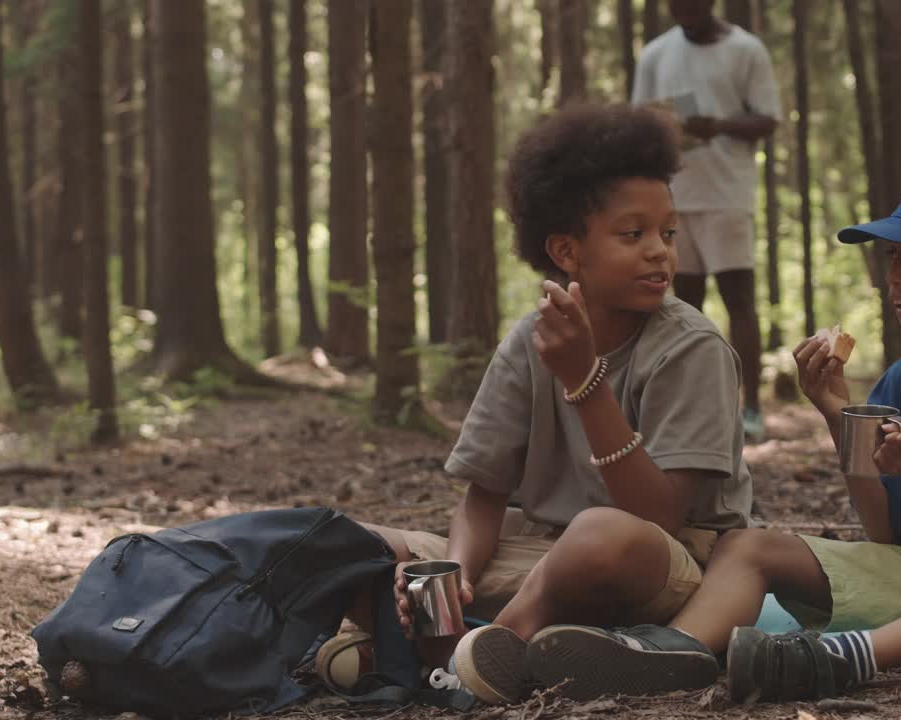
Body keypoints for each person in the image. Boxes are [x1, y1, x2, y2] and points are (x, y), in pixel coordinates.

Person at [523, 162, 901, 702]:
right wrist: (838, 414)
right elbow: (885, 536)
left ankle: (846, 658)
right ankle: (673, 652)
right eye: (892, 257)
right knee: (749, 543)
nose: (896, 278)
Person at [317, 104, 753, 705]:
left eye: (668, 233)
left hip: (663, 566)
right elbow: (483, 495)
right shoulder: (529, 339)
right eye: (634, 234)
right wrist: (458, 575)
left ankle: (485, 648)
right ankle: (460, 644)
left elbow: (657, 518)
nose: (660, 252)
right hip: (545, 552)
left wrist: (585, 383)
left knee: (599, 535)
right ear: (567, 252)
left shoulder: (691, 347)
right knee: (357, 546)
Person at [631, 0, 781, 440]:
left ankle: (750, 408)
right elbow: (638, 118)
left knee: (738, 299)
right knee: (683, 305)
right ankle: (691, 407)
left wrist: (716, 125)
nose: (684, 10)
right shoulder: (656, 54)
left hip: (726, 194)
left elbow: (767, 119)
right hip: (673, 197)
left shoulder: (745, 49)